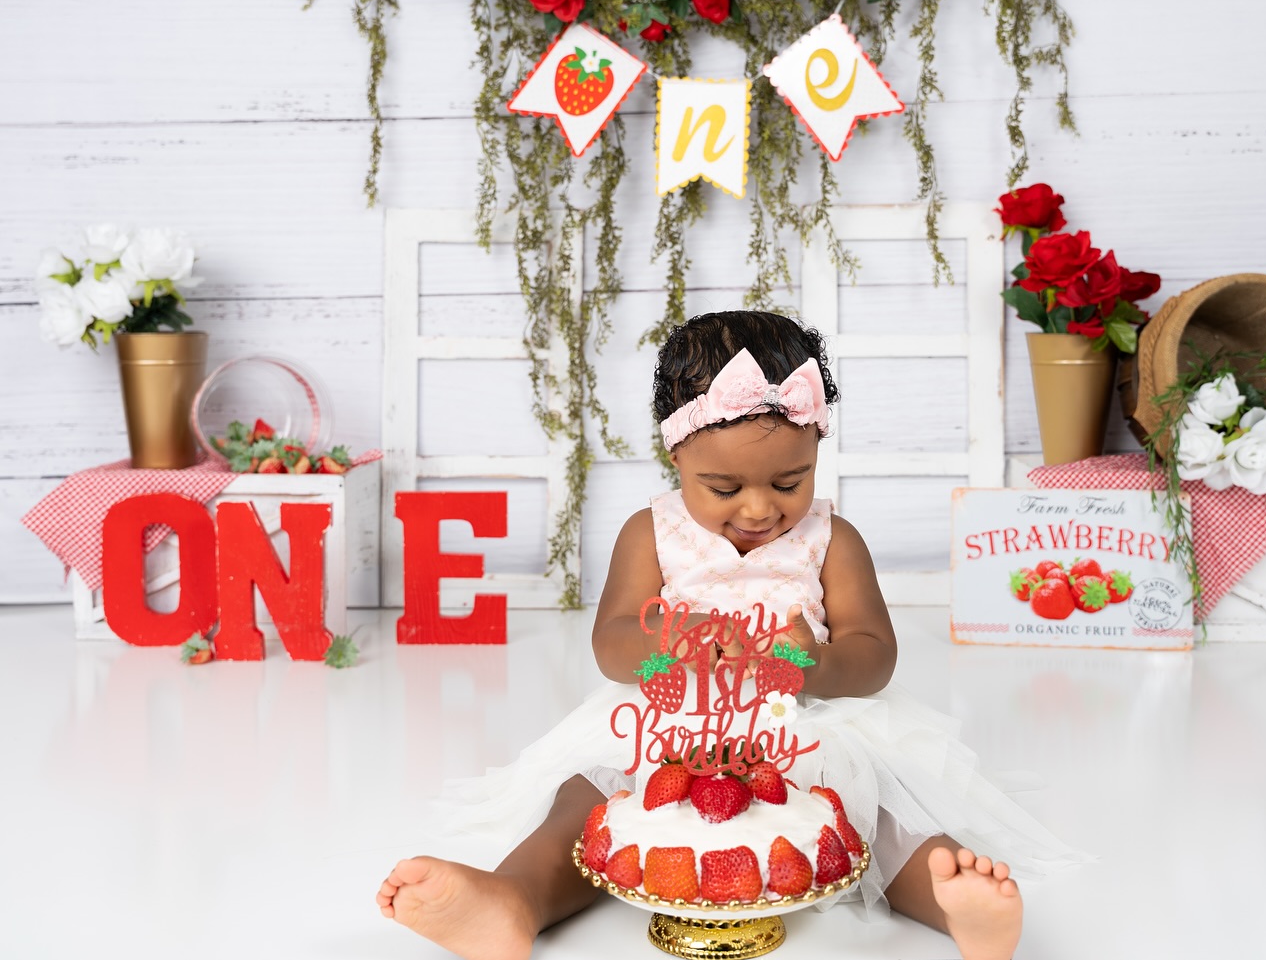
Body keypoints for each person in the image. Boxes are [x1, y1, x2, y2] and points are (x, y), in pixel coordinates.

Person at [377, 310, 1082, 960]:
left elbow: (875, 655)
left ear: (817, 447)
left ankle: (953, 903)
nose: (759, 507)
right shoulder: (649, 532)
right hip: (669, 723)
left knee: (879, 810)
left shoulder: (834, 540)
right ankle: (513, 900)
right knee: (584, 798)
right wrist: (668, 642)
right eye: (723, 487)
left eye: (790, 480)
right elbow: (611, 642)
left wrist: (814, 663)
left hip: (807, 724)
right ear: (675, 457)